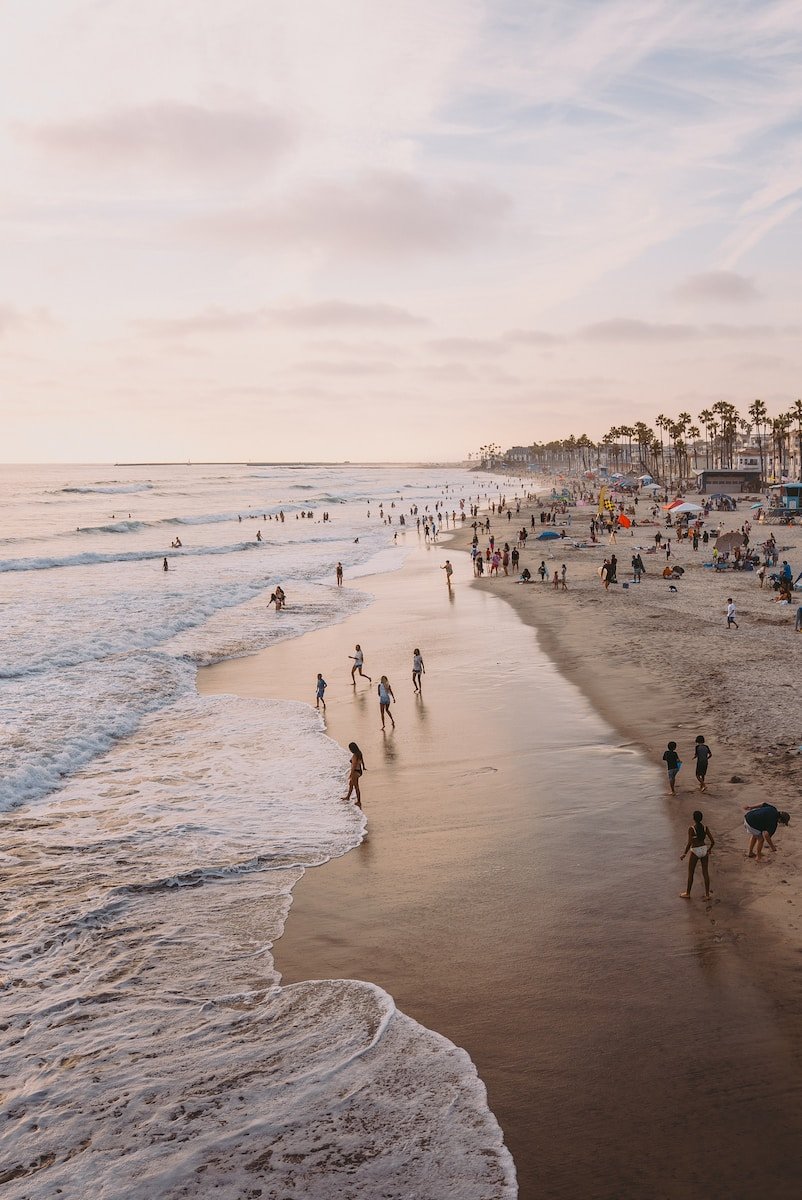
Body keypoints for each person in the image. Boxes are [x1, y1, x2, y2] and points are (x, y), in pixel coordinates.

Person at [679, 810, 714, 899]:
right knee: (705, 872)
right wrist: (709, 850)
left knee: (691, 873)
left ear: (694, 818)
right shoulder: (705, 828)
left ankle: (688, 893)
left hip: (695, 850)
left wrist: (684, 854)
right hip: (704, 849)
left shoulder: (692, 829)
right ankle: (707, 895)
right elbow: (713, 842)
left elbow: (689, 843)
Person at [342, 742, 366, 806]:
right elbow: (362, 761)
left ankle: (359, 802)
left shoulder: (355, 755)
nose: (350, 750)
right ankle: (348, 797)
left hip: (355, 771)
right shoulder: (359, 753)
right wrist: (363, 767)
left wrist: (351, 774)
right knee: (351, 784)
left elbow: (354, 765)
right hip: (359, 771)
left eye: (350, 749)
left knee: (356, 786)